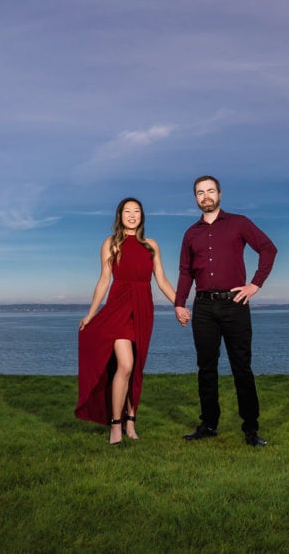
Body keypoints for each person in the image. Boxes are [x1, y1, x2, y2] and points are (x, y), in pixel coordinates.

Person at [175, 176, 277, 446]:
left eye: (210, 191)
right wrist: (178, 302)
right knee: (206, 368)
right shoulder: (190, 234)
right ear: (196, 198)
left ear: (219, 194)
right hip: (204, 307)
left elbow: (268, 248)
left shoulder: (239, 223)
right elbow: (185, 272)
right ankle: (208, 425)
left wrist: (255, 284)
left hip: (235, 303)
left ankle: (251, 430)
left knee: (241, 367)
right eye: (200, 193)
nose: (205, 196)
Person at [76, 197, 178, 444]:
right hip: (118, 308)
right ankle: (115, 425)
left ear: (142, 216)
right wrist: (91, 313)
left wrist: (180, 304)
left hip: (143, 309)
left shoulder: (151, 245)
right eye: (127, 211)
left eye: (137, 211)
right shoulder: (111, 243)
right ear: (119, 215)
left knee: (137, 367)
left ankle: (131, 422)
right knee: (125, 365)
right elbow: (104, 280)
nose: (132, 215)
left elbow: (162, 280)